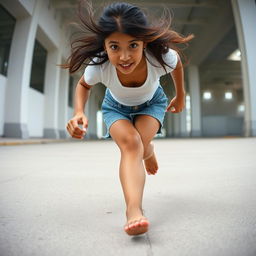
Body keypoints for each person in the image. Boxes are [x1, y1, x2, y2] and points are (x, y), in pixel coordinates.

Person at [63, 1, 193, 236]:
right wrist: (78, 112)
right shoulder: (99, 65)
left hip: (152, 104)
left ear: (144, 42)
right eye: (114, 47)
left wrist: (180, 96)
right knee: (132, 145)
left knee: (138, 144)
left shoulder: (159, 56)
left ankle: (148, 150)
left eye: (133, 45)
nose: (124, 56)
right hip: (116, 108)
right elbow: (83, 85)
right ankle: (133, 211)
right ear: (104, 45)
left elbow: (177, 66)